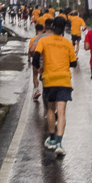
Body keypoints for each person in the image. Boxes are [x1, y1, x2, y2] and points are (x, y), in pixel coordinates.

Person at [35, 16, 78, 156]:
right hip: (64, 81)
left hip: (49, 80)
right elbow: (74, 63)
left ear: (52, 26)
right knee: (62, 112)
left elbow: (35, 56)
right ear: (64, 28)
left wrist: (39, 68)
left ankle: (52, 139)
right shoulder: (67, 43)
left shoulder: (43, 40)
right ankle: (59, 143)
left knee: (50, 109)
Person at [29, 18, 51, 102]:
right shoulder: (57, 37)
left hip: (38, 61)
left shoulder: (38, 38)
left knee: (35, 75)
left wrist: (32, 57)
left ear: (45, 27)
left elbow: (31, 49)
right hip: (50, 63)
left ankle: (36, 91)